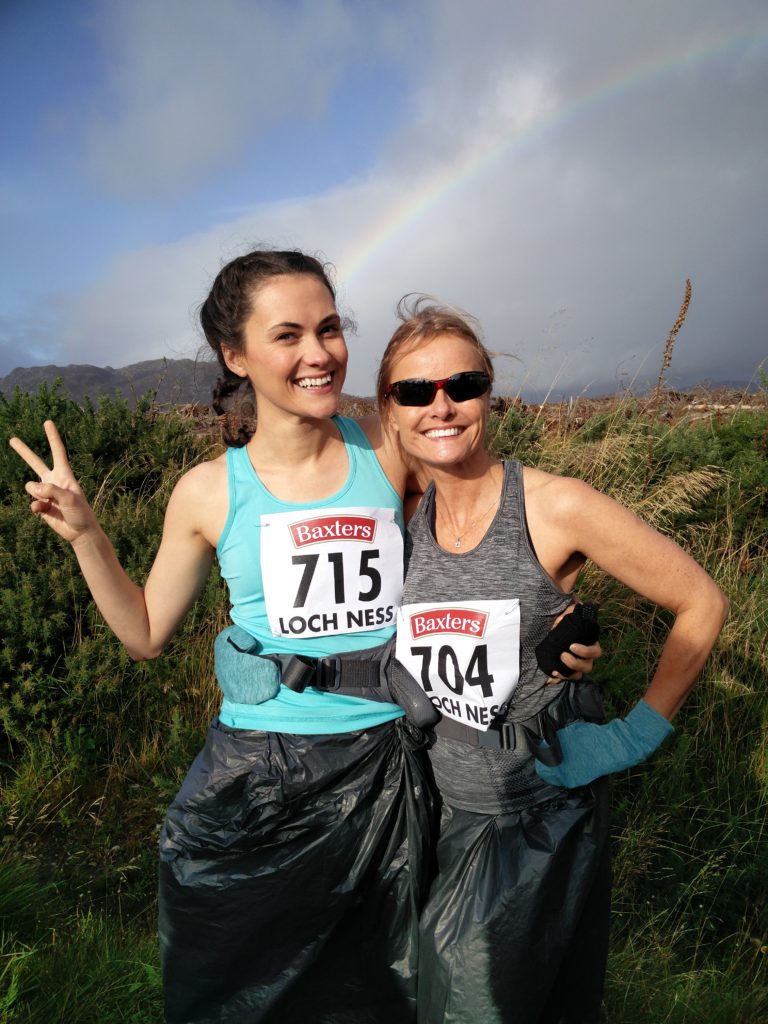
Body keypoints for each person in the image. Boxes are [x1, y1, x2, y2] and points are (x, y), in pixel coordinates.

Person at [9, 250, 439, 1024]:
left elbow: (491, 538)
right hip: (264, 773)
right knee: (243, 988)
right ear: (235, 356)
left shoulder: (391, 451)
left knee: (380, 990)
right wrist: (85, 536)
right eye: (289, 336)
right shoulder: (210, 490)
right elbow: (143, 635)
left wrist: (554, 616)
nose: (319, 354)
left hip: (393, 764)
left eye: (331, 328)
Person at [376, 298, 729, 1024]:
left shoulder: (553, 506)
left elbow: (702, 601)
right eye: (415, 391)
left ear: (488, 393)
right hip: (432, 805)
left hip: (529, 816)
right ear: (392, 409)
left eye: (461, 385)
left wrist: (634, 734)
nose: (440, 406)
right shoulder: (403, 508)